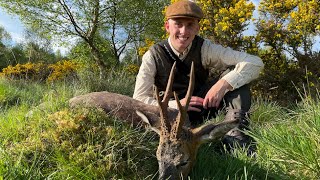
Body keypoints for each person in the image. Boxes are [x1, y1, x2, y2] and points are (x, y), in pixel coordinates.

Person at [133, 0, 264, 154]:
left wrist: (223, 84)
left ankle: (235, 132)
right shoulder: (153, 56)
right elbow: (138, 99)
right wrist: (176, 105)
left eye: (190, 25)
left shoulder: (205, 48)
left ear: (197, 28)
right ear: (167, 26)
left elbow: (255, 62)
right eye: (178, 24)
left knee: (235, 75)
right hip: (171, 116)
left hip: (203, 107)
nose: (184, 31)